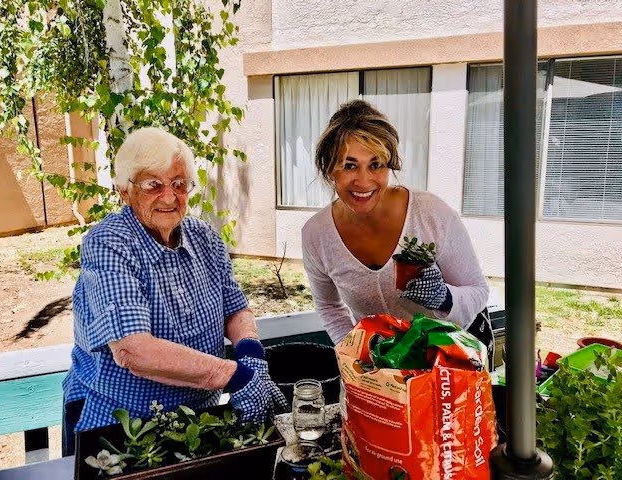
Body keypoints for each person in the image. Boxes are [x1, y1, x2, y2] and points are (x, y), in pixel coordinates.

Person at [62, 127, 286, 456]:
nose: (169, 197)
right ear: (125, 190)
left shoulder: (204, 237)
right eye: (154, 184)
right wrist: (234, 375)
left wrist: (252, 357)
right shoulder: (108, 244)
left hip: (198, 423)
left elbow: (235, 309)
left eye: (179, 184)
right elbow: (133, 351)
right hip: (118, 428)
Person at [301, 100, 493, 358]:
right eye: (349, 165)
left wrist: (443, 298)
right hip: (383, 367)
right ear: (329, 169)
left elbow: (478, 291)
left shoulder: (430, 213)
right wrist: (357, 355)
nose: (364, 180)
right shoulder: (316, 235)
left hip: (451, 359)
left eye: (376, 164)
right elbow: (329, 307)